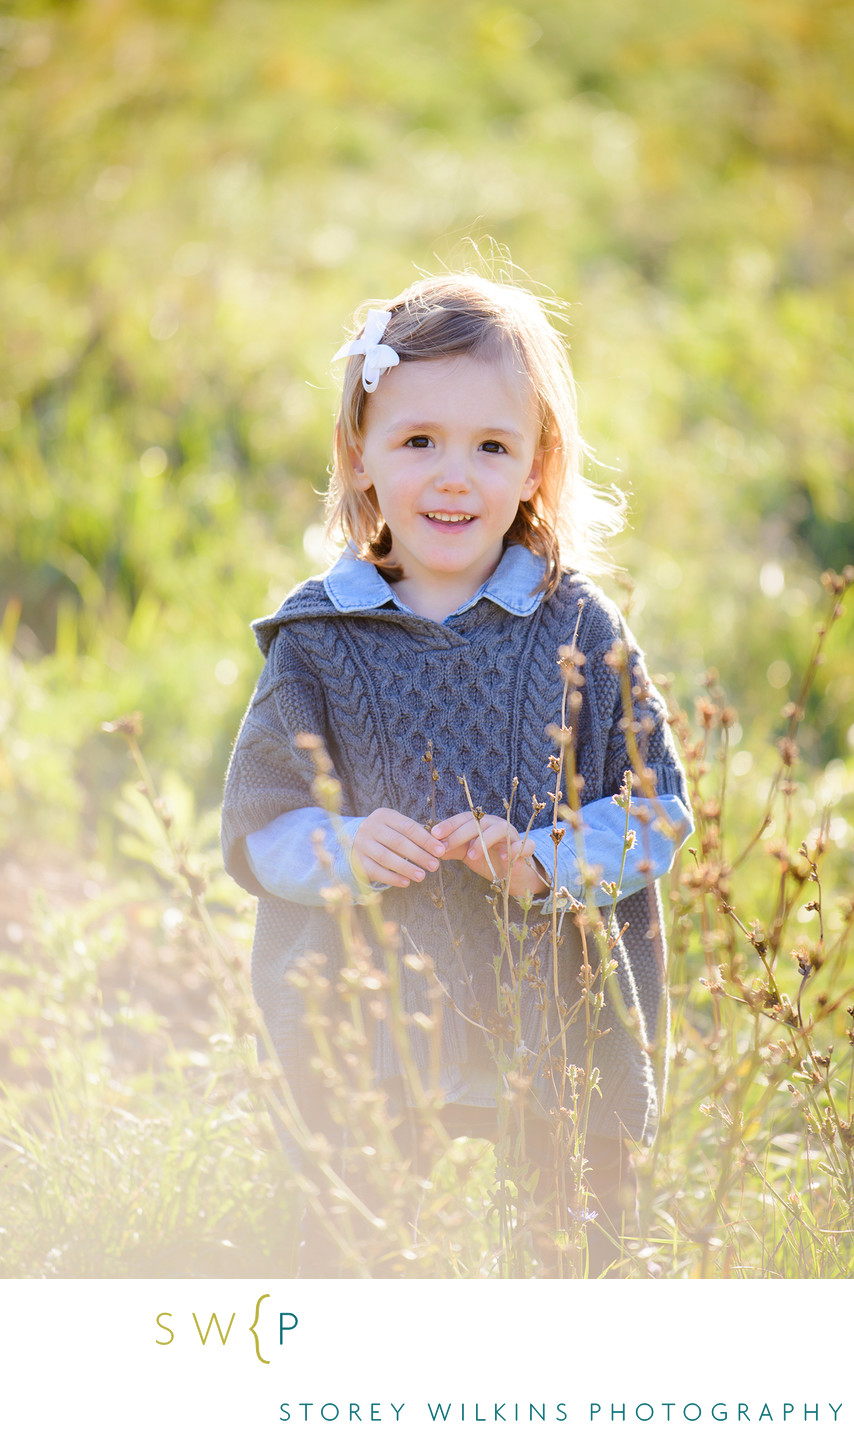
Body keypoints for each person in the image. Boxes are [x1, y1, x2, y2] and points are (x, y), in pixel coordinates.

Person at [221, 271, 692, 1277]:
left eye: (490, 446)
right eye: (417, 441)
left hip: (547, 1001)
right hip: (379, 1009)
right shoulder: (320, 636)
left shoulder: (575, 625)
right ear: (361, 457)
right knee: (354, 1240)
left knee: (570, 1241)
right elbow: (258, 820)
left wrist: (549, 860)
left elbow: (657, 803)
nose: (452, 476)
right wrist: (340, 846)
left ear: (536, 464)